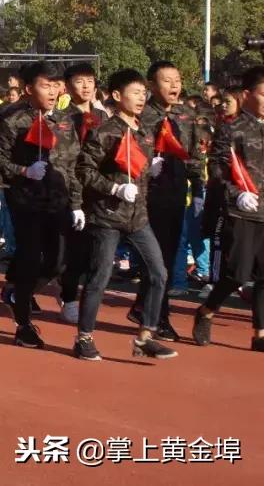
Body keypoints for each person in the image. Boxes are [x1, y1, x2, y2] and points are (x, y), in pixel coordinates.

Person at [74, 69, 177, 361]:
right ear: (118, 96)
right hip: (107, 217)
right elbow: (84, 170)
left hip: (138, 217)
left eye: (144, 93)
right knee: (100, 277)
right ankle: (84, 337)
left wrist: (150, 170)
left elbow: (137, 169)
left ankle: (145, 336)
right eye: (135, 93)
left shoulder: (144, 130)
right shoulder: (105, 131)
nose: (141, 98)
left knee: (159, 273)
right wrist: (115, 189)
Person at [0, 61, 84, 349]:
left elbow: (74, 165)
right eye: (46, 85)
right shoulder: (14, 120)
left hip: (59, 200)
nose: (53, 91)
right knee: (30, 259)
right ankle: (23, 324)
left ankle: (17, 294)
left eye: (56, 85)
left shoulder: (67, 120)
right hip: (26, 201)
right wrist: (24, 171)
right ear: (29, 89)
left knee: (58, 261)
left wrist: (77, 203)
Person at [193, 65, 264, 353]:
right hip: (243, 210)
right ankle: (206, 311)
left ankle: (260, 333)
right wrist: (237, 194)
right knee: (237, 273)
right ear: (247, 94)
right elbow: (218, 169)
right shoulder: (231, 128)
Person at [132, 61, 204, 341]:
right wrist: (145, 167)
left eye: (177, 80)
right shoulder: (142, 114)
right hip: (147, 195)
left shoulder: (186, 114)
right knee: (156, 260)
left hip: (175, 194)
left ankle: (144, 307)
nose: (174, 86)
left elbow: (195, 154)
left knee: (169, 255)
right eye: (167, 80)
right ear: (151, 85)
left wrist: (198, 189)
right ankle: (159, 317)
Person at [58, 63, 108, 324]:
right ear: (68, 87)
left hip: (98, 191)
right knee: (72, 253)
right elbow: (65, 161)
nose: (86, 86)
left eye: (90, 80)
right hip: (72, 191)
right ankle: (68, 298)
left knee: (93, 253)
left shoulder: (103, 117)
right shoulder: (63, 118)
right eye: (79, 81)